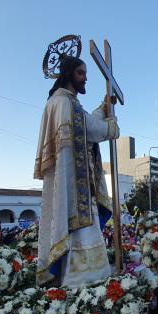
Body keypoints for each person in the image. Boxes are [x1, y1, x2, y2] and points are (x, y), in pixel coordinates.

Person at [34, 52, 120, 286]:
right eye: (81, 73)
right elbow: (91, 130)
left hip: (72, 183)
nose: (85, 78)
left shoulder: (61, 102)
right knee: (80, 236)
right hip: (73, 188)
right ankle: (82, 285)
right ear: (68, 74)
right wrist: (110, 126)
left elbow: (85, 124)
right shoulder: (64, 102)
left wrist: (103, 108)